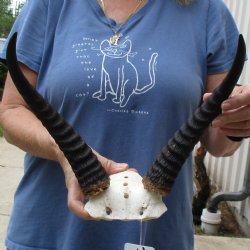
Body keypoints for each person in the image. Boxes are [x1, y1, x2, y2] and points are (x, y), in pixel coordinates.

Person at [0, 0, 249, 249]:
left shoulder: (207, 11)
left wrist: (239, 119)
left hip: (155, 235)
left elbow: (220, 142)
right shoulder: (49, 5)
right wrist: (63, 151)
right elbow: (12, 110)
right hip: (50, 234)